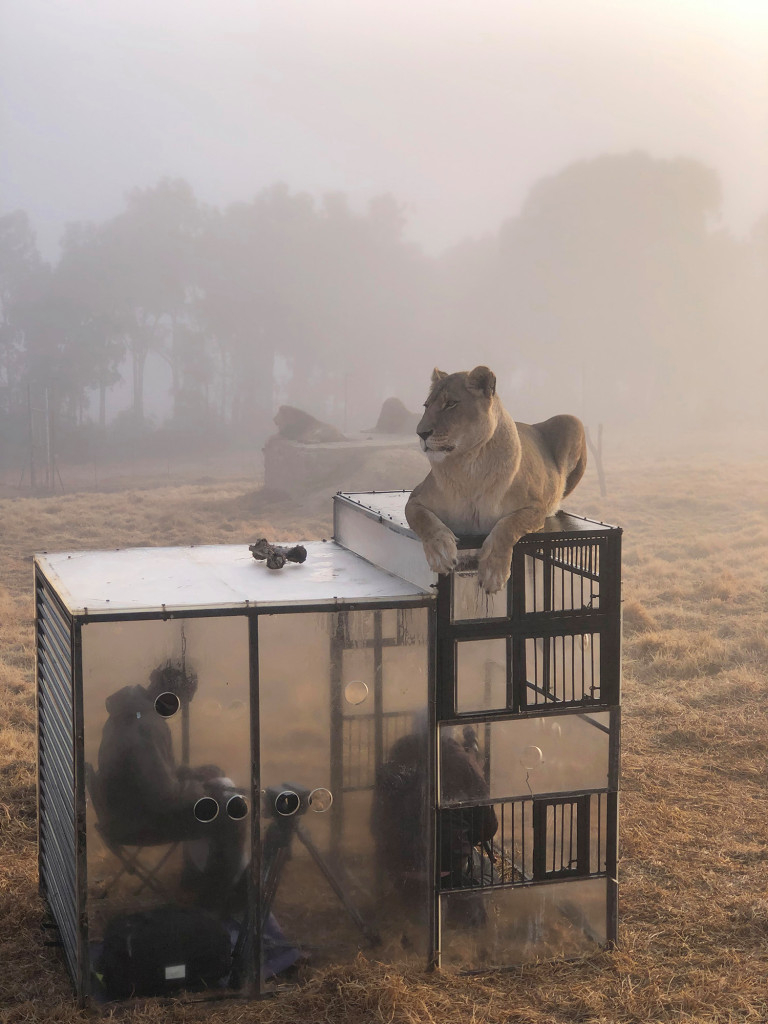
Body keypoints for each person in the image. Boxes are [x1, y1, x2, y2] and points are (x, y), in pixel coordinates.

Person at [96, 660, 248, 912]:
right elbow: (164, 795)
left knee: (210, 804)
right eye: (183, 700)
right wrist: (203, 789)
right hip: (135, 821)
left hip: (122, 811)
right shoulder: (147, 724)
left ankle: (193, 882)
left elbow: (146, 773)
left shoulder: (129, 709)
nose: (180, 708)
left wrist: (191, 775)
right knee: (228, 816)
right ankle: (216, 905)